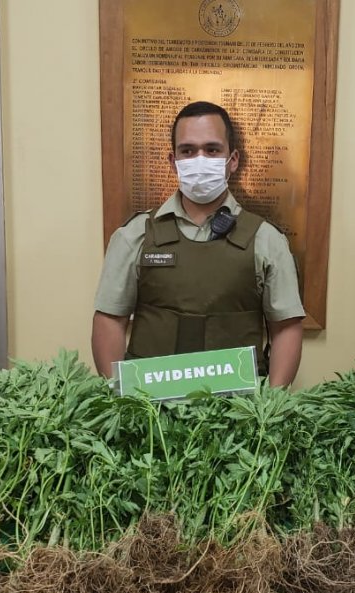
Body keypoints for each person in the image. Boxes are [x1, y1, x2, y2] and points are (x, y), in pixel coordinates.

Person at [91, 101, 305, 386]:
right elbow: (109, 320)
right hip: (151, 409)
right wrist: (120, 400)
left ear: (233, 160)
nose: (200, 160)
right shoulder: (135, 236)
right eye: (188, 151)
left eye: (212, 150)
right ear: (173, 161)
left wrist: (269, 408)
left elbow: (286, 328)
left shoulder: (267, 241)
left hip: (237, 413)